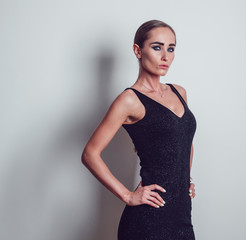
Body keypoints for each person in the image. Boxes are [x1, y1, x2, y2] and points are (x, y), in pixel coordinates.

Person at [81, 19, 197, 240]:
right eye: (157, 47)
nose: (165, 56)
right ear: (138, 50)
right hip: (148, 220)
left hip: (182, 213)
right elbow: (89, 154)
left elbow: (185, 141)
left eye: (170, 49)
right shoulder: (129, 100)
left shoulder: (179, 92)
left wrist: (186, 180)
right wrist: (127, 195)